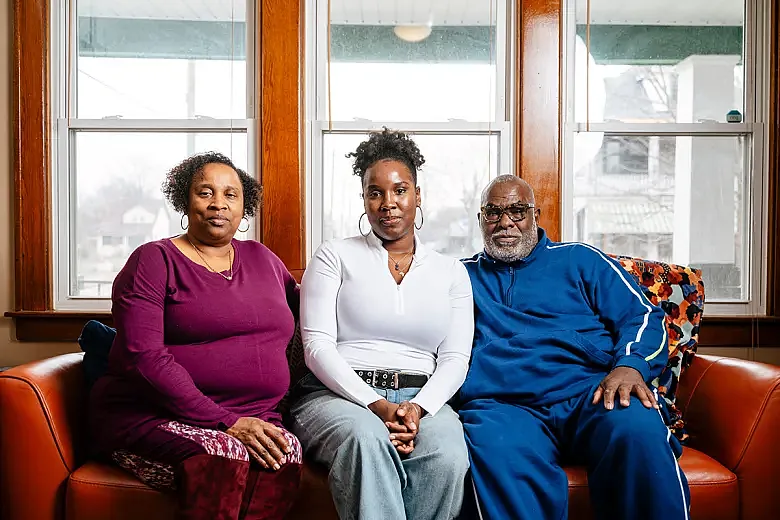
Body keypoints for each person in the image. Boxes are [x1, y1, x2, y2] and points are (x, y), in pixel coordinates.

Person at [459, 174, 690, 520]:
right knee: (496, 447)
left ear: (536, 216)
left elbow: (641, 315)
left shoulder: (580, 260)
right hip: (505, 405)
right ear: (480, 220)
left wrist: (631, 366)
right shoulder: (460, 277)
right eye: (493, 213)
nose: (505, 222)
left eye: (517, 211)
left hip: (592, 393)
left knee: (636, 429)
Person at [89, 152, 302, 520]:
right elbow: (144, 357)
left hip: (256, 414)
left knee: (287, 454)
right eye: (206, 192)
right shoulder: (153, 261)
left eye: (231, 195)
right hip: (156, 415)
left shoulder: (264, 259)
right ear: (185, 201)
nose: (218, 203)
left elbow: (314, 314)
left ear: (244, 207)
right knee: (223, 453)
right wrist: (226, 422)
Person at [290, 128, 474, 520]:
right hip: (336, 398)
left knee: (448, 451)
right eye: (375, 193)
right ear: (364, 199)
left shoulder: (451, 272)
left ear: (417, 196)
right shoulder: (334, 256)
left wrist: (417, 410)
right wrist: (375, 405)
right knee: (365, 438)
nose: (388, 203)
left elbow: (456, 359)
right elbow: (317, 347)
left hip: (421, 399)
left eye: (400, 190)